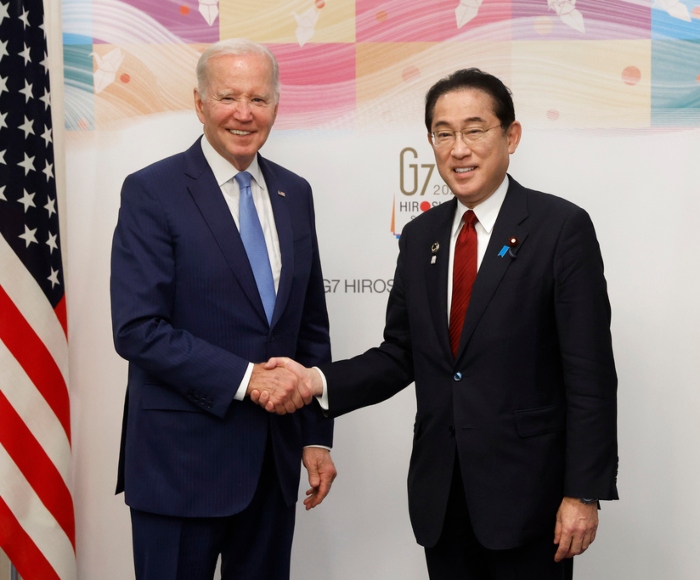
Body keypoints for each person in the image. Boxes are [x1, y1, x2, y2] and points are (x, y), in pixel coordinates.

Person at [257, 68, 618, 579]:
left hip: (531, 500)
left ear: (510, 136)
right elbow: (400, 352)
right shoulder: (421, 233)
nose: (458, 149)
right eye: (443, 133)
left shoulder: (561, 229)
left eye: (475, 130)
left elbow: (590, 376)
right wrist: (315, 380)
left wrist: (583, 491)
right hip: (442, 498)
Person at [110, 38, 336, 580]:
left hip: (272, 468)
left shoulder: (295, 193)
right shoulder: (151, 191)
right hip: (179, 468)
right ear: (199, 102)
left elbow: (308, 324)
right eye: (228, 96)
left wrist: (314, 435)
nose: (243, 112)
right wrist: (247, 379)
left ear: (276, 107)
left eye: (258, 99)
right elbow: (138, 329)